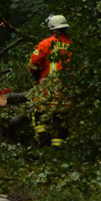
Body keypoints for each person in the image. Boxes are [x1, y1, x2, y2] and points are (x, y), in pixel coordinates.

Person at [28, 14, 72, 148]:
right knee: (61, 121)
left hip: (46, 90)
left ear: (51, 29)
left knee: (39, 116)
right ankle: (58, 149)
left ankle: (44, 144)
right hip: (65, 91)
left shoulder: (46, 44)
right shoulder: (72, 46)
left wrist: (37, 76)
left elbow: (33, 64)